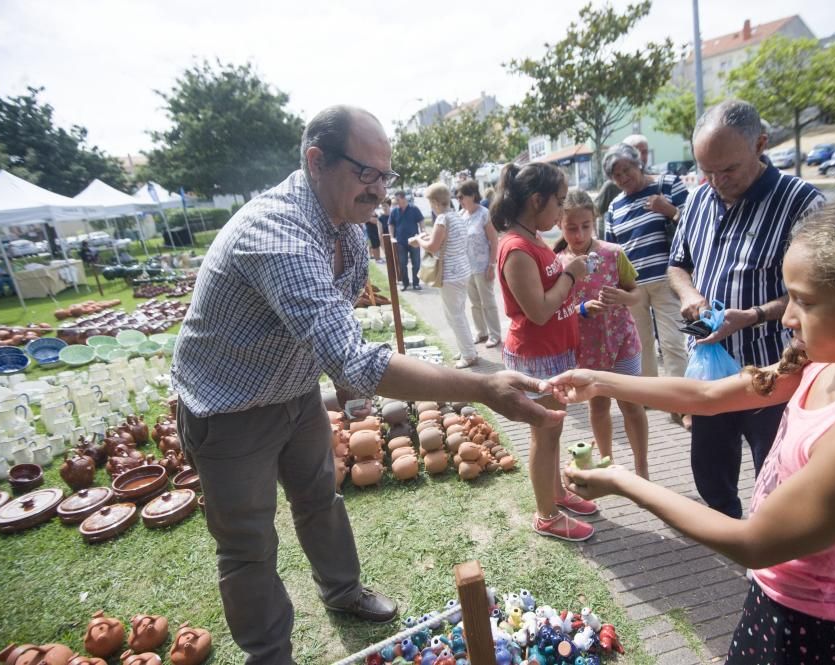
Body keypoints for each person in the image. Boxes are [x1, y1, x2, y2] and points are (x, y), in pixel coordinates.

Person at [171, 105, 564, 665]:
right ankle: (269, 655)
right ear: (316, 161)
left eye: (387, 176)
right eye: (367, 174)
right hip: (229, 407)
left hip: (293, 390)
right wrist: (482, 387)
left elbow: (337, 331)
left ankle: (343, 591)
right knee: (247, 544)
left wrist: (340, 375)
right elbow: (355, 361)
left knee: (319, 499)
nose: (380, 191)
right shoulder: (276, 232)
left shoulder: (347, 226)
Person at [555, 183, 835, 664]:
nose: (787, 318)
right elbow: (711, 395)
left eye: (804, 301)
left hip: (828, 633)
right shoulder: (827, 364)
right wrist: (601, 381)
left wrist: (623, 482)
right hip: (785, 603)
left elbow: (753, 542)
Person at [667, 100, 824, 519]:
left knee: (775, 470)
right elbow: (677, 265)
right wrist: (688, 296)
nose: (717, 181)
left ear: (760, 144)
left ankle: (771, 540)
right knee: (710, 464)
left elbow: (817, 296)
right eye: (708, 171)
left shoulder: (801, 203)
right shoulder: (699, 199)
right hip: (710, 366)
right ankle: (725, 524)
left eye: (729, 170)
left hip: (775, 369)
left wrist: (752, 315)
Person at [492, 161, 596, 542]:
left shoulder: (532, 238)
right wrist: (571, 274)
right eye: (559, 201)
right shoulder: (517, 248)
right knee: (545, 434)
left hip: (553, 351)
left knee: (553, 430)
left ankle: (556, 494)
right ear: (537, 200)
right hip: (537, 355)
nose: (562, 209)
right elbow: (537, 311)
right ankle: (546, 515)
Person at [555, 189, 649, 478]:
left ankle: (642, 469)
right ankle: (607, 464)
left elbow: (638, 295)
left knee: (632, 406)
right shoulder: (558, 262)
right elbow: (555, 308)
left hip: (622, 343)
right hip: (587, 350)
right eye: (571, 228)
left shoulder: (613, 253)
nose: (579, 234)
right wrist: (582, 309)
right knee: (598, 407)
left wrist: (621, 296)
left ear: (594, 221)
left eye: (585, 226)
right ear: (560, 224)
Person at [602, 143, 689, 397]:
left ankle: (680, 400)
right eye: (616, 175)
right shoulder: (615, 206)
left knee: (672, 342)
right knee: (641, 344)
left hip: (667, 278)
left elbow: (696, 224)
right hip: (633, 286)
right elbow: (612, 249)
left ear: (638, 163)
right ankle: (650, 395)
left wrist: (670, 211)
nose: (623, 178)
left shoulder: (668, 184)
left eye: (626, 170)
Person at [413, 182, 477, 369]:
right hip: (462, 270)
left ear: (434, 201)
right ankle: (466, 347)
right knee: (457, 313)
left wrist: (418, 240)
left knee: (454, 315)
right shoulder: (457, 216)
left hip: (450, 273)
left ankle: (469, 354)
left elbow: (433, 247)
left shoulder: (442, 219)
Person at [457, 180, 502, 349]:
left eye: (462, 196)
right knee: (474, 303)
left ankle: (495, 334)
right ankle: (481, 331)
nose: (460, 200)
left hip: (483, 267)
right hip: (467, 267)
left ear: (473, 195)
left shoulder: (484, 214)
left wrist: (491, 266)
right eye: (458, 197)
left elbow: (493, 241)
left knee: (488, 302)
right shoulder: (461, 215)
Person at [389, 190, 424, 291]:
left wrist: (422, 232)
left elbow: (421, 221)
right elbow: (391, 224)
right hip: (401, 242)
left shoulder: (414, 209)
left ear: (404, 198)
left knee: (416, 263)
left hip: (414, 241)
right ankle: (405, 283)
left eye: (398, 199)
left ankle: (416, 283)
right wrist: (392, 236)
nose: (396, 202)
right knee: (402, 263)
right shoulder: (394, 211)